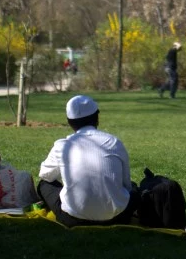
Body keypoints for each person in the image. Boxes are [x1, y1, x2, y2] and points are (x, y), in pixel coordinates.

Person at [37, 95, 140, 227]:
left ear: (69, 122)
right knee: (135, 189)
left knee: (44, 184)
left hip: (73, 218)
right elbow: (126, 184)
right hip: (118, 217)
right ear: (97, 118)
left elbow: (45, 175)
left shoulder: (62, 146)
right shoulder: (114, 143)